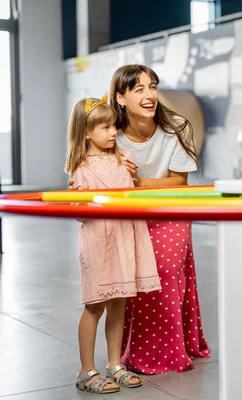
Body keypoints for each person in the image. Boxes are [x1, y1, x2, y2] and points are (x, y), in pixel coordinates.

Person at [109, 64, 211, 374]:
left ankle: (168, 353)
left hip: (170, 212)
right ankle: (135, 353)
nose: (149, 94)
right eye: (138, 89)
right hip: (132, 216)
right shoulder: (112, 134)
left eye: (152, 86)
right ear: (121, 98)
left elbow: (180, 181)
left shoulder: (177, 127)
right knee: (135, 282)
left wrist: (138, 183)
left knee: (166, 275)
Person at [66, 95, 162, 393]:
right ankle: (86, 371)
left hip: (125, 237)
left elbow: (133, 195)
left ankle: (114, 364)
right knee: (95, 305)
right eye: (105, 127)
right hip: (100, 242)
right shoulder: (82, 169)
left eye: (112, 127)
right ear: (86, 132)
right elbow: (80, 212)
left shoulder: (124, 158)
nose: (112, 133)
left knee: (119, 303)